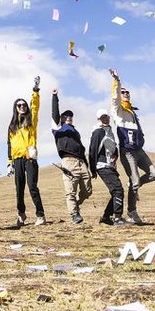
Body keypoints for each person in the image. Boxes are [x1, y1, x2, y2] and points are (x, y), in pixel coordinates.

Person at [109, 68, 155, 224]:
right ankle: (132, 211)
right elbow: (115, 98)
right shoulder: (118, 111)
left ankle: (132, 183)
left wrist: (142, 140)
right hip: (127, 151)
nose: (126, 93)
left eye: (127, 92)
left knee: (153, 174)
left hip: (138, 150)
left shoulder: (133, 112)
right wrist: (117, 81)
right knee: (136, 181)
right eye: (123, 92)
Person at [8, 77, 45, 227]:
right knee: (19, 189)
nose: (22, 106)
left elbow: (35, 107)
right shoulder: (12, 126)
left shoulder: (31, 122)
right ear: (15, 108)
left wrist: (35, 90)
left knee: (32, 186)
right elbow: (8, 144)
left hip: (30, 158)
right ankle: (21, 214)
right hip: (17, 160)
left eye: (24, 105)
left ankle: (40, 215)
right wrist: (9, 162)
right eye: (19, 105)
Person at [51, 88, 93, 224]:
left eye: (71, 115)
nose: (69, 117)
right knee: (71, 190)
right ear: (62, 118)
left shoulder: (75, 130)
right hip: (68, 161)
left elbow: (81, 147)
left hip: (81, 161)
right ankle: (74, 214)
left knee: (87, 190)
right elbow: (55, 113)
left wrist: (87, 164)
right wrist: (55, 97)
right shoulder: (58, 127)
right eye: (66, 115)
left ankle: (76, 205)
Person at [88, 109, 126, 225]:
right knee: (118, 190)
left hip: (110, 166)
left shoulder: (109, 131)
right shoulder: (98, 132)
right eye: (102, 117)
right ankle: (118, 218)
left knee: (116, 191)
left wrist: (116, 154)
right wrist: (93, 170)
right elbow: (92, 150)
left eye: (106, 117)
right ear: (98, 119)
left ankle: (106, 217)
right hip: (102, 165)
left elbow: (113, 146)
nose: (105, 119)